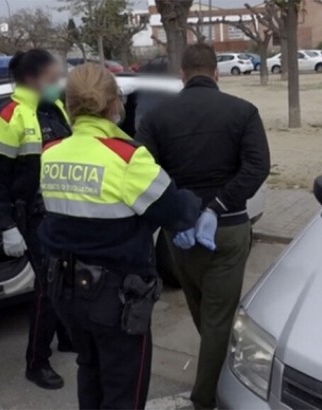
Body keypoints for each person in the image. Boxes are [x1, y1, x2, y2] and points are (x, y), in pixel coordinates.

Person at [39, 62, 201, 409]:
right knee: (124, 387)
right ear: (115, 104)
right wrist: (195, 199)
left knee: (89, 367)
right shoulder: (126, 158)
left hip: (64, 290)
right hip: (115, 300)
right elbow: (178, 212)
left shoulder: (50, 153)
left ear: (69, 106)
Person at [135, 43, 271, 409]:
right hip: (227, 229)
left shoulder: (158, 118)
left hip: (179, 235)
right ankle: (206, 398)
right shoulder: (243, 112)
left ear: (183, 74)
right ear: (216, 72)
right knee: (217, 317)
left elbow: (143, 173)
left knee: (204, 311)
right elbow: (257, 167)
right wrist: (220, 205)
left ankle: (208, 385)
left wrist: (175, 214)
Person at [0, 49, 73, 390]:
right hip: (32, 216)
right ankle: (37, 362)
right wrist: (7, 227)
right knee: (46, 289)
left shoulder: (54, 107)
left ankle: (66, 337)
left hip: (62, 210)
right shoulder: (9, 116)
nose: (58, 82)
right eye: (53, 76)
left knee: (67, 277)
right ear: (34, 78)